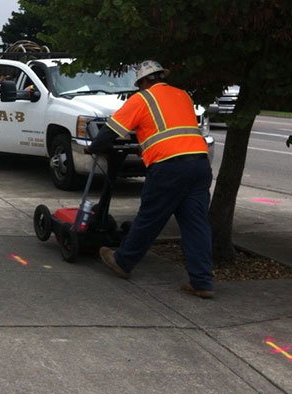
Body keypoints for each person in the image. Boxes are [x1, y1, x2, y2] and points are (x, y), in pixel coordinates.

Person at [88, 60, 215, 299]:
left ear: (144, 82)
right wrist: (145, 147)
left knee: (149, 218)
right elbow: (171, 130)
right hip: (199, 164)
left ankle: (122, 261)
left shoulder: (142, 98)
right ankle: (202, 282)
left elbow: (111, 130)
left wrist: (95, 147)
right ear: (160, 77)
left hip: (169, 168)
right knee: (196, 224)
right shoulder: (182, 95)